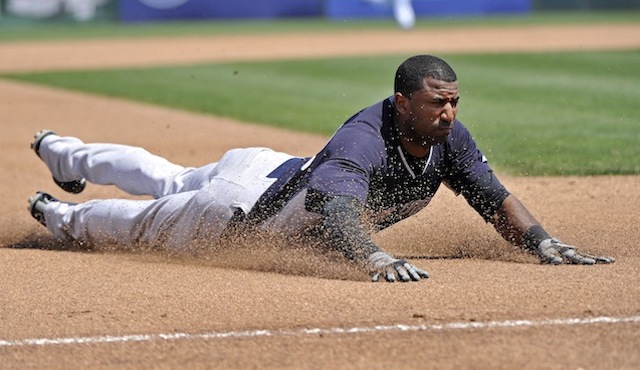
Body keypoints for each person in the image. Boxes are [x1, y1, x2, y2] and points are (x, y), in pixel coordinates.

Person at [27, 55, 615, 283]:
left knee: (170, 175)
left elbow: (493, 197)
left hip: (266, 169)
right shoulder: (364, 137)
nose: (450, 112)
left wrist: (540, 241)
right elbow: (337, 213)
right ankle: (61, 213)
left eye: (455, 100)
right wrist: (375, 257)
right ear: (403, 102)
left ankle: (60, 150)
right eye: (438, 102)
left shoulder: (448, 137)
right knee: (145, 223)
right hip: (235, 211)